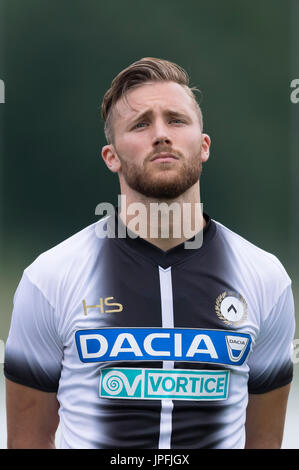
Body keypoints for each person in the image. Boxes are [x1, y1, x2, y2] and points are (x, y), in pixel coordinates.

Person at [4, 57, 295, 449]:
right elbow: (29, 440)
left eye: (176, 120)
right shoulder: (49, 277)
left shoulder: (265, 279)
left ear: (203, 145)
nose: (161, 134)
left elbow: (264, 443)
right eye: (140, 124)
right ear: (111, 156)